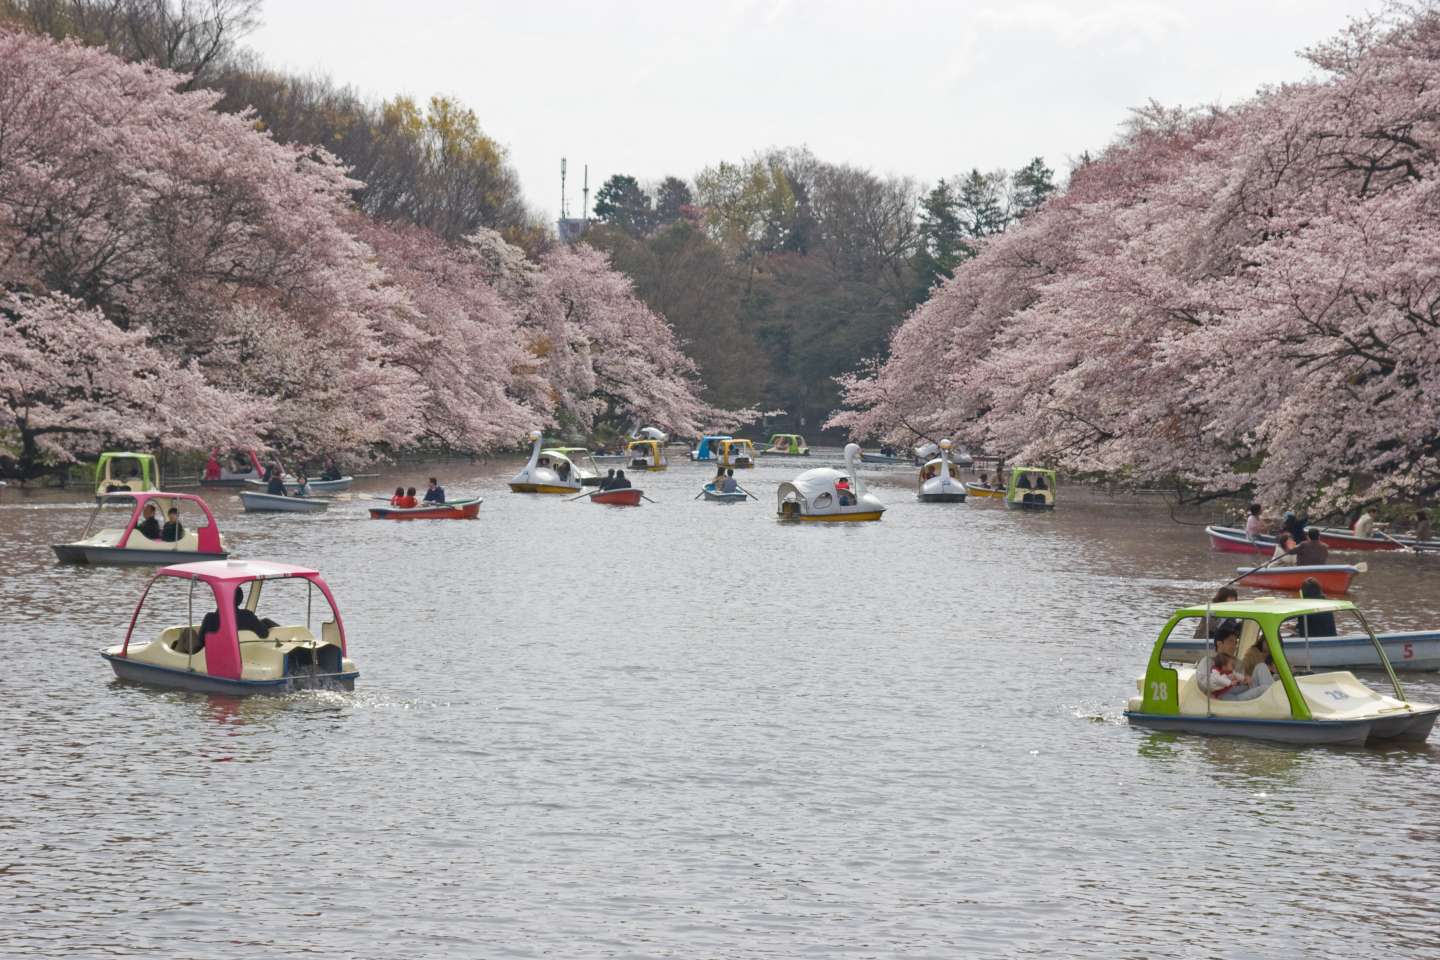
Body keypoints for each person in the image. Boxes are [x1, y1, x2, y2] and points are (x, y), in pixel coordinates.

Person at [1195, 621, 1241, 695]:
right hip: (1219, 703)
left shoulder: (1238, 662)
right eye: (1231, 641)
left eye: (1235, 642)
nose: (1234, 646)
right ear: (1219, 644)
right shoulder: (1208, 661)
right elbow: (1203, 685)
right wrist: (1227, 680)